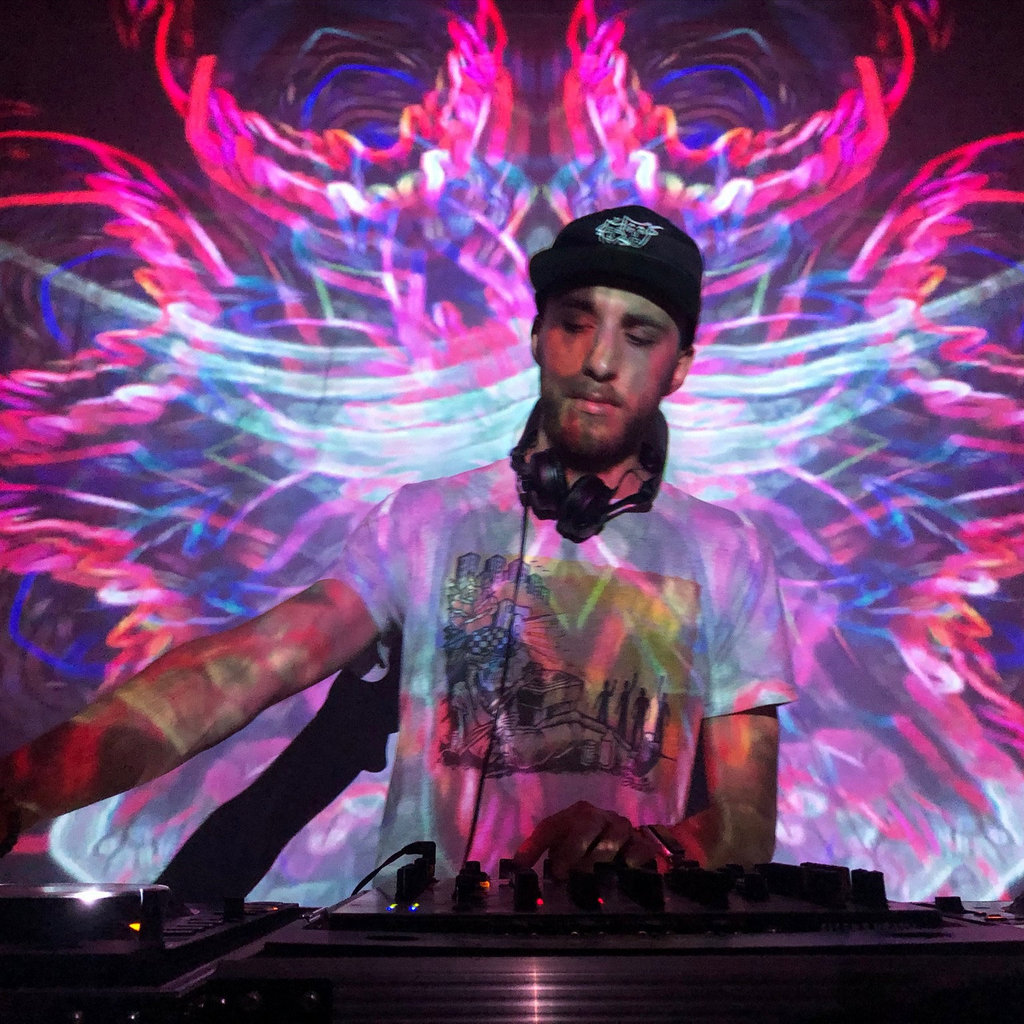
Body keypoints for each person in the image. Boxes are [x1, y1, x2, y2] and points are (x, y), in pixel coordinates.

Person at [0, 205, 796, 885]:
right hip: (430, 956)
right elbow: (240, 671)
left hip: (639, 960)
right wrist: (20, 787)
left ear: (679, 367)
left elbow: (746, 822)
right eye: (574, 323)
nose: (598, 360)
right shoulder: (424, 521)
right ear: (536, 336)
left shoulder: (728, 553)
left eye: (639, 334)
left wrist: (656, 850)